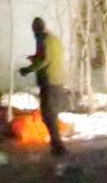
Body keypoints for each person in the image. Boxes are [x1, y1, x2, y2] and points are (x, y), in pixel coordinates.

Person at [19, 17, 67, 155]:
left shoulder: (43, 39)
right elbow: (50, 56)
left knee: (47, 115)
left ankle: (58, 146)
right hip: (58, 80)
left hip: (49, 81)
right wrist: (35, 57)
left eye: (34, 30)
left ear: (36, 29)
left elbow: (45, 60)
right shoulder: (55, 39)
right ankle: (56, 144)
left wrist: (28, 69)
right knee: (52, 114)